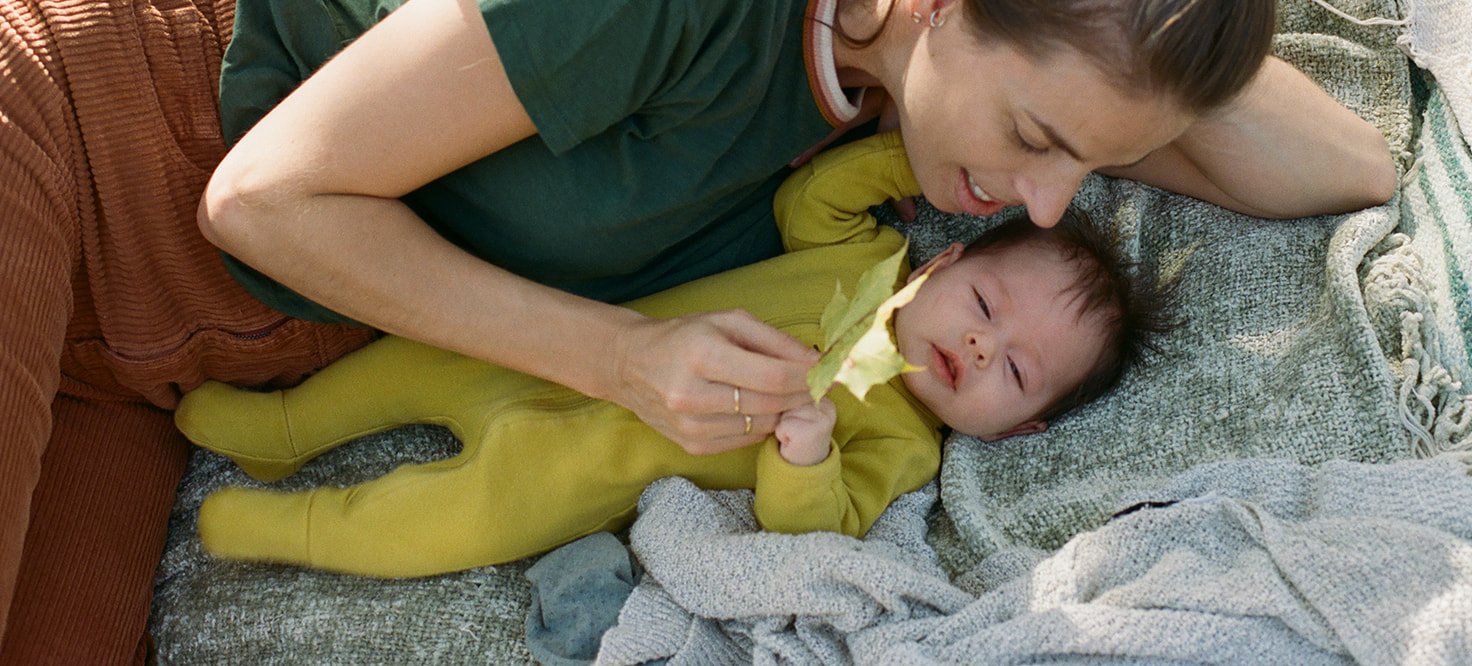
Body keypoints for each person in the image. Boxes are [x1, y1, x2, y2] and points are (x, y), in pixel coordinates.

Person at [0, 0, 1396, 661]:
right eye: (1041, 136)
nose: (1040, 205)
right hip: (81, 117)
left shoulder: (916, 97)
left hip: (142, 362)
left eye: (1086, 159)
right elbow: (268, 197)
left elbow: (1350, 168)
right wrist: (622, 355)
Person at [173, 131, 1162, 577]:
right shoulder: (861, 257)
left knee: (440, 524)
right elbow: (806, 199)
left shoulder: (904, 450)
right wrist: (913, 161)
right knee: (413, 361)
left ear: (1023, 425)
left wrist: (806, 457)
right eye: (984, 302)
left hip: (576, 477)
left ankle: (290, 529)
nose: (981, 344)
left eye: (1017, 372)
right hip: (559, 353)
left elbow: (816, 524)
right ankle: (284, 427)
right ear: (943, 258)